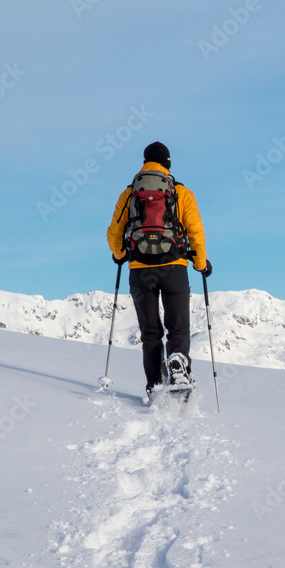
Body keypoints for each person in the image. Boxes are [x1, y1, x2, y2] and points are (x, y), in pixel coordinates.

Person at [106, 141, 212, 401]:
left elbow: (114, 234)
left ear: (144, 163)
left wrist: (120, 255)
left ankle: (155, 386)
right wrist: (201, 263)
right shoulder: (181, 193)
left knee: (151, 333)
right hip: (174, 267)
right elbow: (196, 231)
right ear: (168, 164)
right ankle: (178, 367)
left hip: (140, 270)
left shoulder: (129, 194)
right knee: (178, 329)